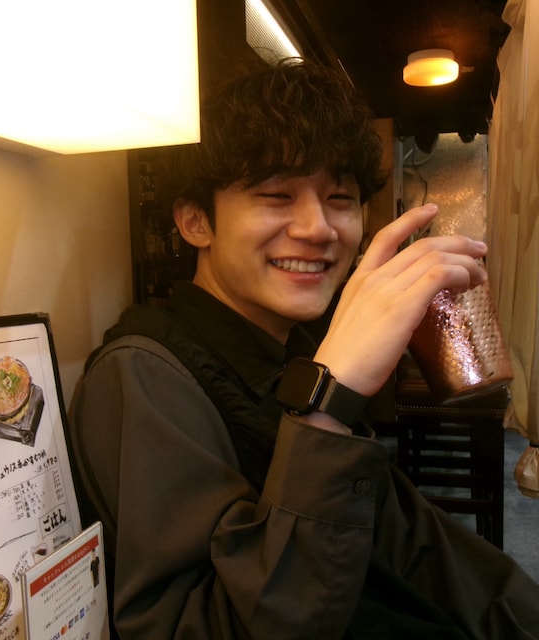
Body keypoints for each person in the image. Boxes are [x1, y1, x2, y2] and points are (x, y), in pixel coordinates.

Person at [68, 57, 539, 639]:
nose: (318, 228)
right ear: (195, 222)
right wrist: (327, 406)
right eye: (275, 194)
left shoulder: (298, 346)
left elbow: (412, 541)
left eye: (340, 197)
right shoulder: (143, 375)